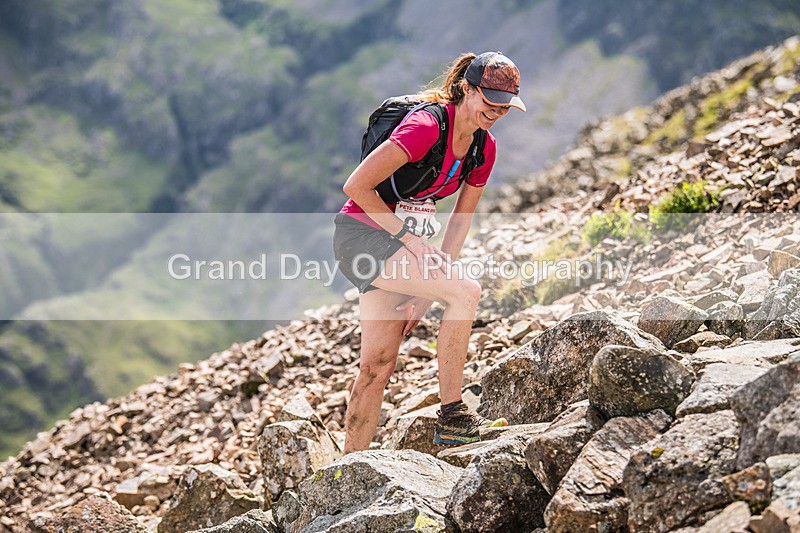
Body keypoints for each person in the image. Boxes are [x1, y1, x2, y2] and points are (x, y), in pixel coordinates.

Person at [333, 51, 526, 453]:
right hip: (361, 237)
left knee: (377, 366)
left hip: (399, 244)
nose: (497, 110)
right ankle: (453, 415)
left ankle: (346, 467)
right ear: (466, 89)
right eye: (489, 100)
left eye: (505, 105)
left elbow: (459, 221)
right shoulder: (424, 126)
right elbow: (356, 187)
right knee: (465, 291)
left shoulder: (483, 149)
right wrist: (409, 239)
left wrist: (425, 292)